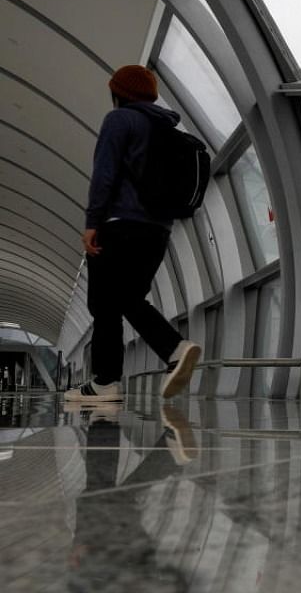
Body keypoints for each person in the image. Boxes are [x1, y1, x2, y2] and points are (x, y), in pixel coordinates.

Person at [66, 65, 202, 404]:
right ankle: (108, 380)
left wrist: (92, 222)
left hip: (119, 225)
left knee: (105, 302)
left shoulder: (120, 121)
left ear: (118, 93)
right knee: (124, 298)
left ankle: (157, 355)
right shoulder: (168, 128)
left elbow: (105, 174)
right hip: (158, 231)